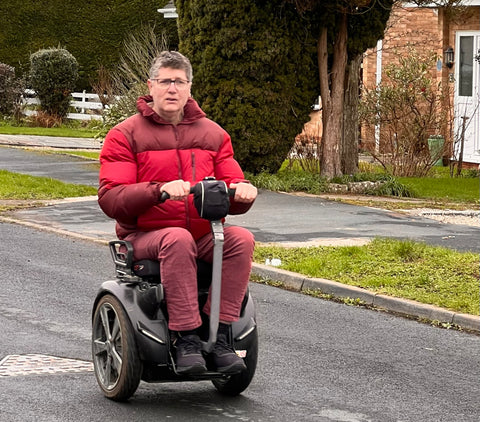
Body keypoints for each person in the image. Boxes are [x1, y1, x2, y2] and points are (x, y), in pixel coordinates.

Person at [98, 51, 257, 375]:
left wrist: (243, 193)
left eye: (179, 82)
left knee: (240, 238)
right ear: (151, 86)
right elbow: (111, 198)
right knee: (177, 238)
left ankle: (222, 337)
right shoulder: (124, 135)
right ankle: (186, 339)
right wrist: (158, 190)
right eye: (165, 81)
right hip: (144, 236)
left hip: (202, 235)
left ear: (189, 87)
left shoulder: (214, 134)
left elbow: (233, 184)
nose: (172, 88)